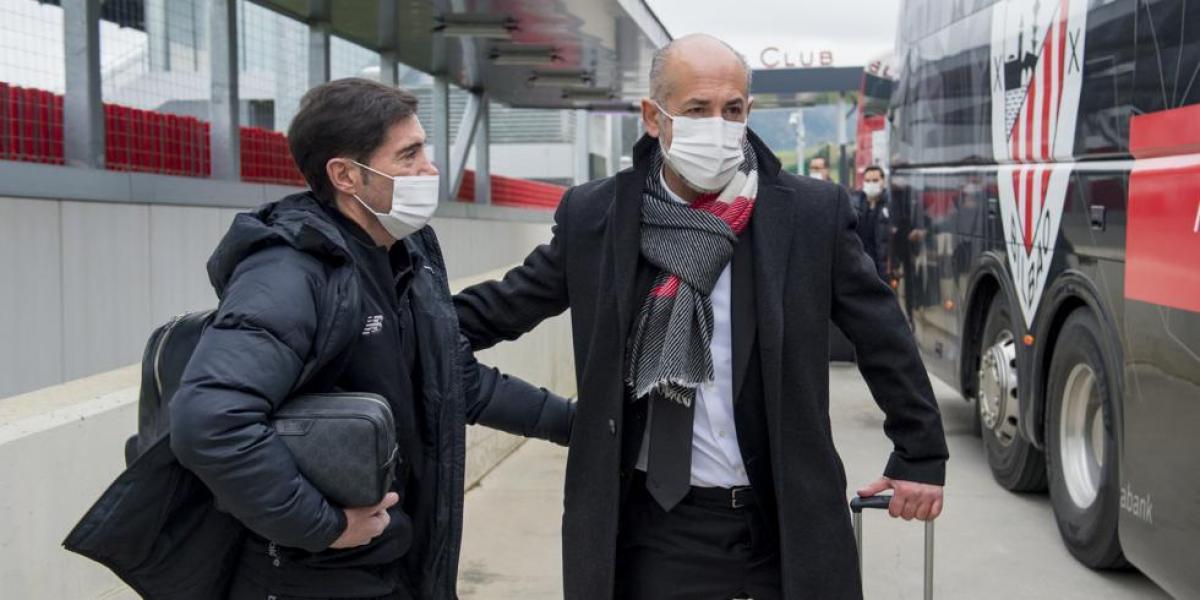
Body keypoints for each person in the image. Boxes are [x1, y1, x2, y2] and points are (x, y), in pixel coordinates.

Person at [453, 34, 949, 600]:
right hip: (651, 530)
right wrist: (396, 324)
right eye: (696, 110)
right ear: (653, 117)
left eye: (732, 109)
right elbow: (503, 307)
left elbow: (882, 336)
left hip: (781, 525)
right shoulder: (598, 217)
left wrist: (920, 453)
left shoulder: (810, 214)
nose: (718, 125)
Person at [164, 78, 574, 599]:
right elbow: (209, 420)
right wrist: (325, 526)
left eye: (424, 148)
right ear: (346, 175)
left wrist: (584, 427)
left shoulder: (405, 251)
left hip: (393, 557)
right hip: (312, 575)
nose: (429, 168)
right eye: (408, 155)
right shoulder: (290, 271)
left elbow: (454, 381)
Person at [852, 165, 893, 280]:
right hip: (861, 266)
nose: (871, 184)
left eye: (875, 180)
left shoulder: (890, 204)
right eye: (868, 181)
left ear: (883, 181)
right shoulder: (856, 204)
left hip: (883, 267)